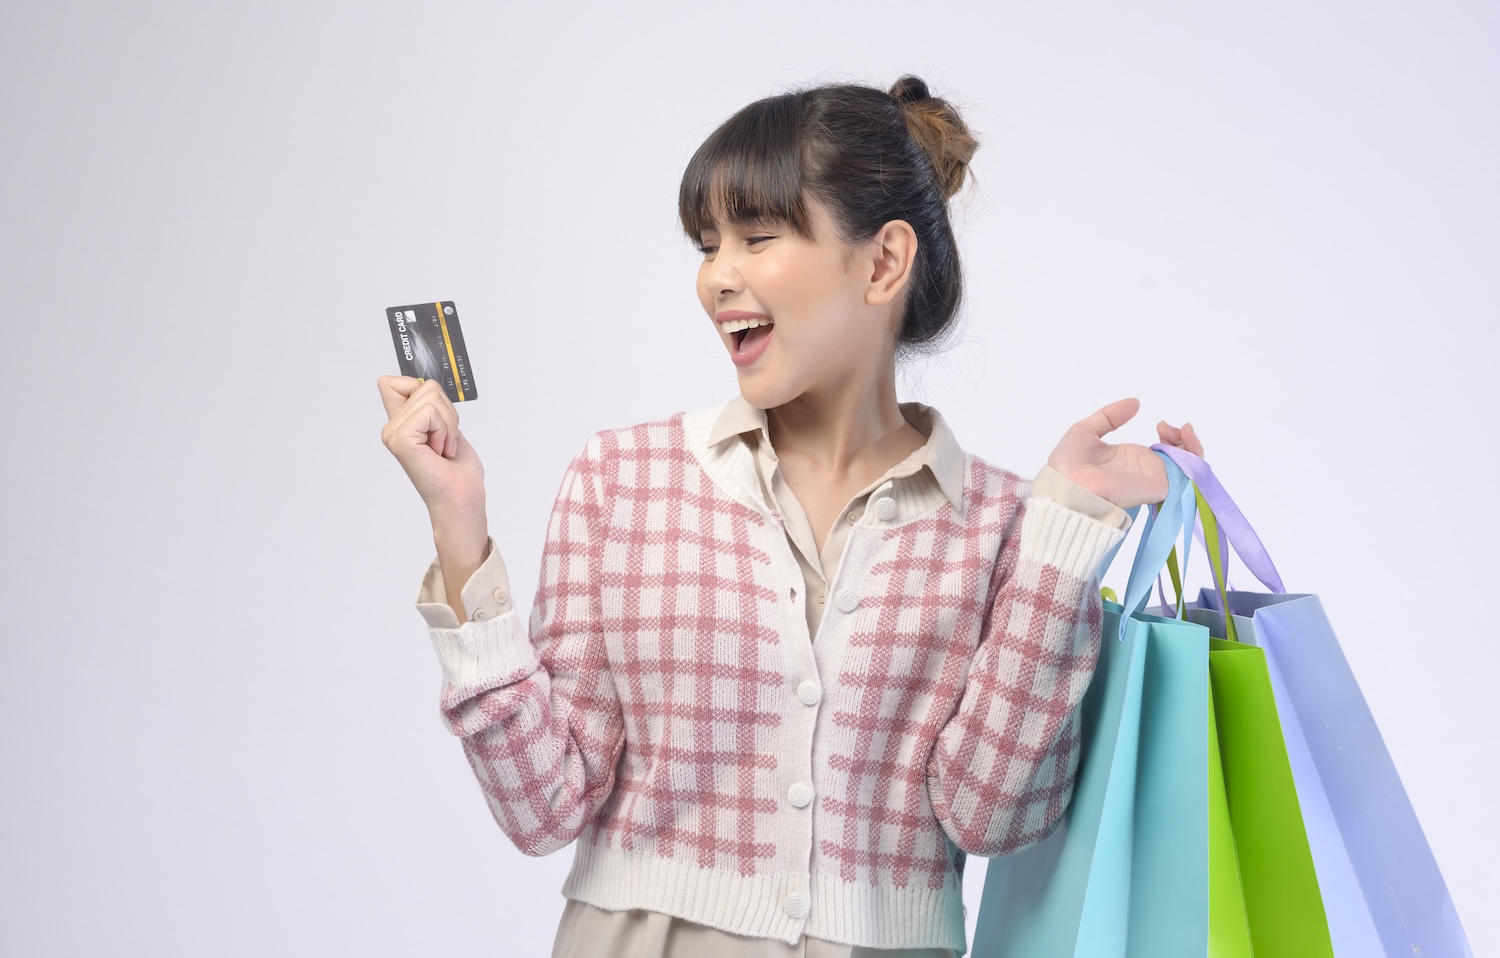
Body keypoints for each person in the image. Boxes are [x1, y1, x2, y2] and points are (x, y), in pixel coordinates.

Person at [377, 75, 1204, 957]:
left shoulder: (1003, 523)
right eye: (708, 245)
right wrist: (460, 530)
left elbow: (993, 814)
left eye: (757, 237)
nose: (716, 278)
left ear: (884, 263)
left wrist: (1064, 538)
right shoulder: (621, 481)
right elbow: (543, 807)